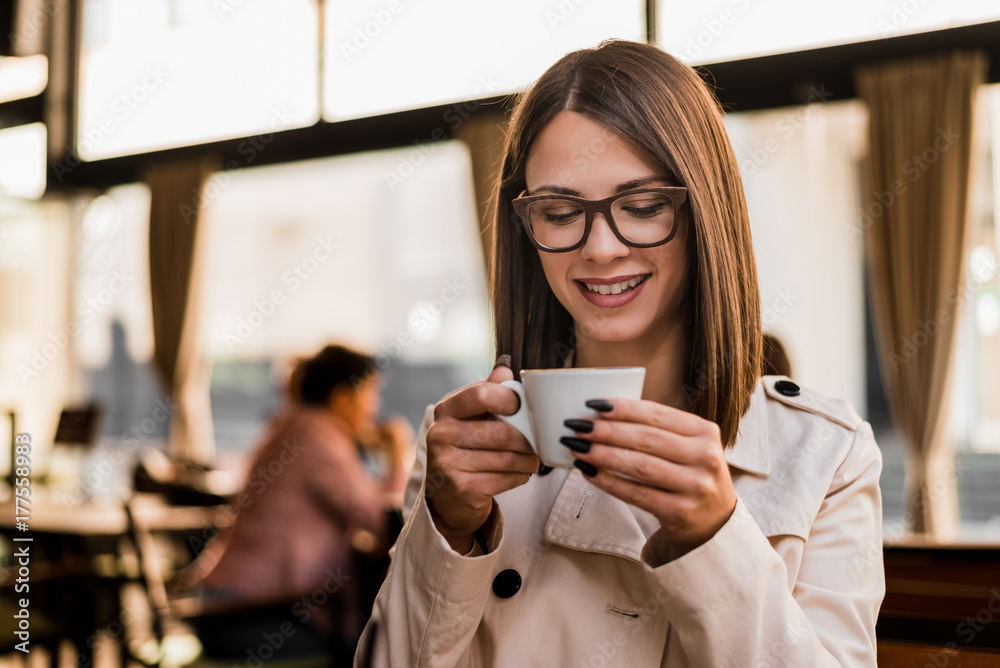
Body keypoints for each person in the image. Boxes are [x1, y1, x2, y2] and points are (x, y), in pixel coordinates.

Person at [357, 40, 884, 667]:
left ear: (705, 215)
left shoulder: (825, 453)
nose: (601, 248)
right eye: (558, 211)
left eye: (642, 206)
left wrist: (714, 537)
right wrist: (447, 527)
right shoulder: (468, 442)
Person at [187, 344, 412, 660]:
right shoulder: (317, 438)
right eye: (371, 393)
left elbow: (370, 509)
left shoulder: (296, 428)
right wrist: (398, 456)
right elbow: (378, 518)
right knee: (372, 648)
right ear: (342, 397)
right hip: (246, 617)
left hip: (225, 608)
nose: (375, 407)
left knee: (370, 638)